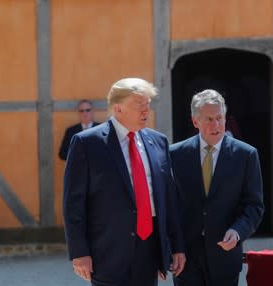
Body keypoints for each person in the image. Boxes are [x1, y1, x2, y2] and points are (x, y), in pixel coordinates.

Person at [63, 78, 186, 286]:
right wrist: (79, 252)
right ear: (118, 109)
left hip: (149, 248)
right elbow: (73, 204)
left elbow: (168, 199)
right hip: (106, 251)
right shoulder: (87, 143)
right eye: (139, 104)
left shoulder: (158, 142)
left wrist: (176, 246)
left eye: (148, 104)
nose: (146, 110)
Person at [169, 89, 264, 286]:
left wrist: (238, 231)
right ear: (195, 122)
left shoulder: (246, 155)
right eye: (209, 119)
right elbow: (170, 206)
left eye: (220, 118)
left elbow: (254, 206)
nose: (216, 125)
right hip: (186, 258)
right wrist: (173, 247)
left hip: (225, 255)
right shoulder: (175, 155)